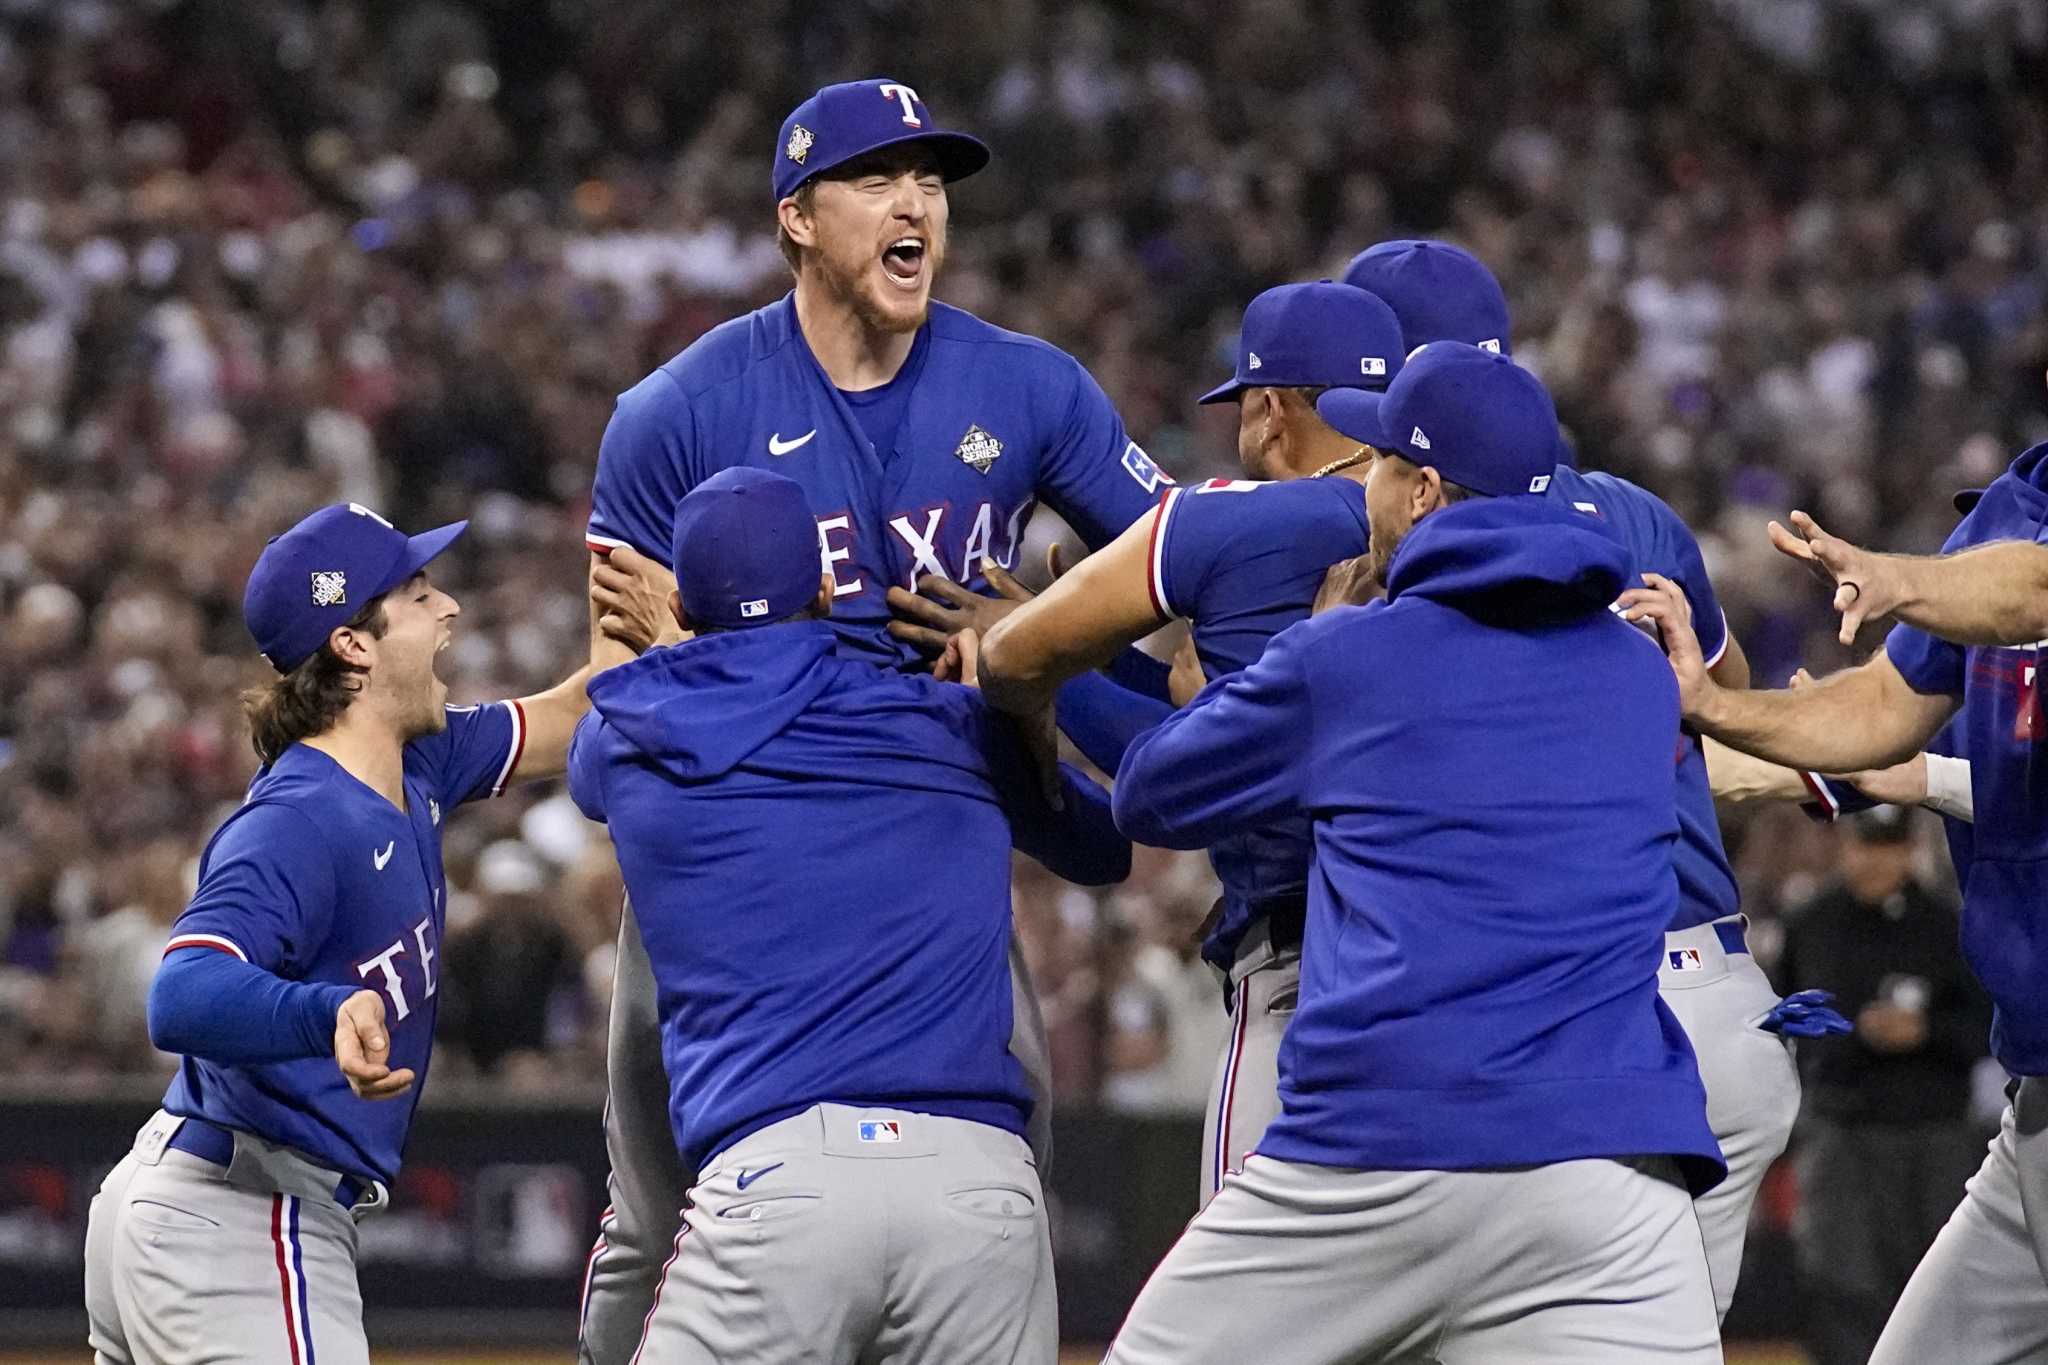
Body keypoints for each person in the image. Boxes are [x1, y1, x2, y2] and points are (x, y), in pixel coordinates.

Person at [980, 237, 1805, 1319]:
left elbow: (1161, 788)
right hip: (1653, 1027)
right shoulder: (1624, 536)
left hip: (1409, 1028)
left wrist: (1076, 659)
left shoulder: (1314, 564)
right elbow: (1721, 701)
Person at [574, 78, 1171, 1364]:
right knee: (650, 1207)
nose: (916, 203)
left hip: (928, 834)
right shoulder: (675, 412)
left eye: (931, 179)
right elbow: (611, 689)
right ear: (795, 215)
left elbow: (1176, 575)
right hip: (738, 842)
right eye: (876, 178)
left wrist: (1041, 641)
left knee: (992, 1157)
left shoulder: (1025, 389)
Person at [1103, 343, 1724, 1364]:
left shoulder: (1348, 654)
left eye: (1381, 462)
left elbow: (1149, 793)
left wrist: (1276, 660)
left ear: (1425, 493)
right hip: (1609, 1172)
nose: (1365, 485)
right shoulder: (1633, 674)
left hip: (1378, 1148)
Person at [80, 502, 666, 1365]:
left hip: (207, 1205)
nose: (449, 608)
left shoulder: (415, 762)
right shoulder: (298, 818)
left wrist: (626, 562)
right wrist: (325, 1012)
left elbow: (579, 713)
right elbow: (180, 993)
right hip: (244, 1212)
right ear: (353, 643)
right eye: (419, 591)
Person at [567, 467, 1128, 1363]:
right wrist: (1020, 708)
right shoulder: (951, 722)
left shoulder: (630, 736)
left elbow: (621, 741)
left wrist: (680, 643)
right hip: (980, 1195)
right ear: (828, 586)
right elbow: (1107, 849)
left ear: (680, 599)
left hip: (781, 1186)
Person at [1620, 438, 2048, 1364]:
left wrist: (1899, 579)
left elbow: (2036, 591)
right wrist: (1710, 707)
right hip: (2035, 1104)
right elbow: (1879, 710)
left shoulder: (1999, 565)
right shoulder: (2008, 511)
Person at [977, 277, 1403, 1204]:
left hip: (1304, 975)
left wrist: (1041, 654)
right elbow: (1235, 723)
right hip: (1460, 976)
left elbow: (1187, 775)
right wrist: (1131, 672)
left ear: (1269, 407)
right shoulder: (1460, 527)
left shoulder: (1233, 518)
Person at [1776, 806, 1991, 1365]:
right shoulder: (1811, 923)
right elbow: (1778, 1021)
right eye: (1865, 845)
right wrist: (1849, 1033)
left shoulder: (1949, 925)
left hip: (1934, 1131)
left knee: (1935, 1284)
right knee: (1838, 1281)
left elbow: (1990, 1028)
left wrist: (1926, 1031)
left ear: (1909, 849)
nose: (1875, 861)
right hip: (1840, 1129)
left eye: (1889, 847)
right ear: (1845, 844)